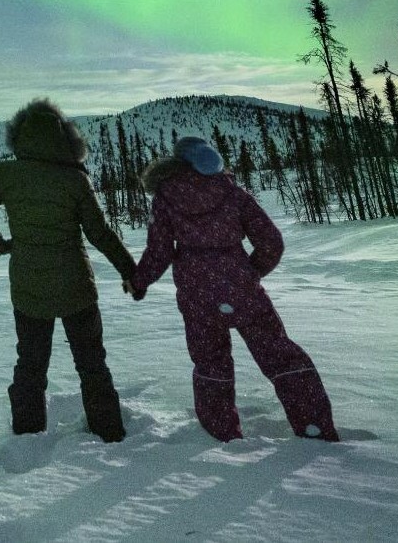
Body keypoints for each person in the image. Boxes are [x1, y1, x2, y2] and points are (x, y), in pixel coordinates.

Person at [130, 135, 339, 443]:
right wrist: (249, 274)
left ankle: (221, 436)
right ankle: (314, 428)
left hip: (196, 293)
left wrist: (138, 281)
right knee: (280, 355)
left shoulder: (166, 197)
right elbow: (272, 243)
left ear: (177, 163)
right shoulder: (233, 193)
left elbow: (159, 251)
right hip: (242, 290)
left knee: (210, 363)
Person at [0, 98, 138, 442]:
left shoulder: (6, 174)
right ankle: (109, 432)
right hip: (76, 286)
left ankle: (28, 439)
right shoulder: (74, 179)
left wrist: (0, 244)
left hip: (29, 289)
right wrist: (129, 270)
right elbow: (100, 233)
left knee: (30, 366)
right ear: (64, 138)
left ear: (20, 136)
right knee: (92, 364)